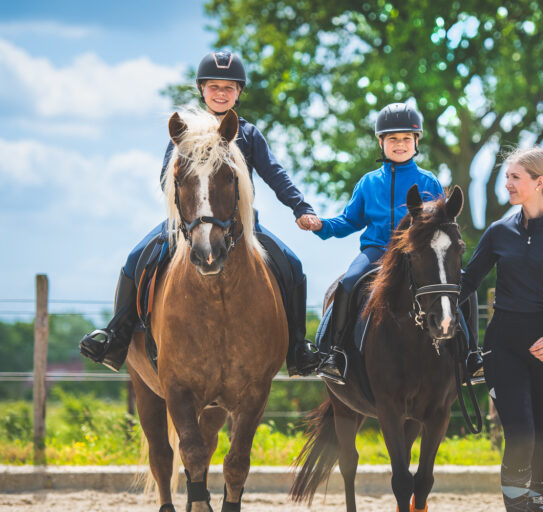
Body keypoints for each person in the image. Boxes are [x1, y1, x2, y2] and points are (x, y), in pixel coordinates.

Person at [79, 50, 323, 376]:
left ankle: (297, 348)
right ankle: (116, 335)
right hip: (189, 222)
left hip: (238, 224)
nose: (221, 93)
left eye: (229, 88)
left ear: (238, 92)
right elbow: (166, 177)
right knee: (137, 257)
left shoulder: (248, 134)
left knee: (292, 263)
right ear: (202, 90)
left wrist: (300, 207)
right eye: (214, 87)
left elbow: (275, 174)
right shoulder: (185, 132)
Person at [309, 102, 484, 385]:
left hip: (420, 255)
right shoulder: (368, 183)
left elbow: (441, 224)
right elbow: (350, 220)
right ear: (381, 142)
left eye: (406, 138)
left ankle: (472, 355)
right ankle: (335, 354)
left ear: (416, 142)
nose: (400, 144)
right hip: (376, 251)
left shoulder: (428, 181)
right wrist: (322, 226)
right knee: (348, 282)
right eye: (392, 139)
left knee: (464, 284)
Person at [459, 147, 543, 511]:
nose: (508, 184)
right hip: (504, 348)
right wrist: (429, 298)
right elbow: (467, 283)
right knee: (520, 438)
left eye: (515, 177)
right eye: (507, 177)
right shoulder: (498, 232)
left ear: (539, 182)